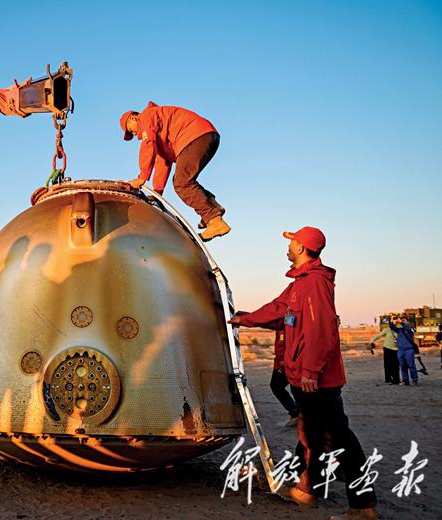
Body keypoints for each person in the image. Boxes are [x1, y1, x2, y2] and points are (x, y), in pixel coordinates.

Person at [229, 226, 377, 520]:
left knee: (338, 437)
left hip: (317, 379)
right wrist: (244, 320)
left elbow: (322, 329)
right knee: (310, 434)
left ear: (301, 248)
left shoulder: (315, 284)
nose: (288, 245)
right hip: (303, 377)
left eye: (292, 241)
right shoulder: (299, 284)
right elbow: (278, 311)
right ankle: (306, 490)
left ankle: (363, 507)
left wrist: (311, 370)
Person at [119, 102, 231, 241]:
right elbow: (163, 163)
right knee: (184, 180)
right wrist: (157, 193)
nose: (135, 135)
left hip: (195, 136)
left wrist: (142, 177)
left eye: (131, 131)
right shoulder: (159, 130)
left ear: (133, 118)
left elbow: (148, 146)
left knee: (182, 183)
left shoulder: (146, 117)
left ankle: (214, 220)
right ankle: (213, 206)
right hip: (208, 136)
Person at [269, 328, 300, 427]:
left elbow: (281, 342)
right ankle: (298, 414)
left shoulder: (286, 320)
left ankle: (296, 414)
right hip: (290, 361)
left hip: (285, 363)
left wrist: (282, 358)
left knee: (276, 386)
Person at [390, 315, 418, 386]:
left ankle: (414, 380)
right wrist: (391, 320)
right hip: (401, 350)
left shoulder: (411, 329)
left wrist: (401, 322)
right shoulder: (399, 330)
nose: (402, 321)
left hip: (409, 350)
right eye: (402, 320)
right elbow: (392, 327)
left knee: (411, 365)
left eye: (404, 320)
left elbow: (408, 329)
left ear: (407, 321)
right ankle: (405, 381)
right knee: (403, 366)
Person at [371, 320, 399, 384]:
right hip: (387, 348)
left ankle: (396, 379)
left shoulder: (399, 330)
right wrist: (372, 340)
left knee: (396, 365)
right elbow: (379, 335)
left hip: (396, 349)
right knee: (387, 364)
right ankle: (388, 378)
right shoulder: (386, 330)